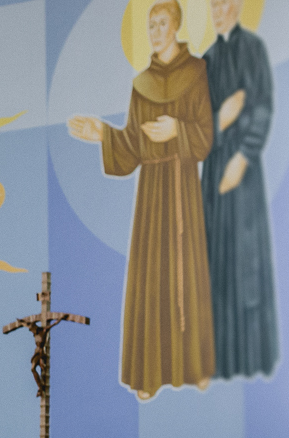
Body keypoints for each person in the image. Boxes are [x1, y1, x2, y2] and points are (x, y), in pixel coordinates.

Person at [68, 0, 215, 400]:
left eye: (160, 23)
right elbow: (133, 145)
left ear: (177, 26)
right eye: (149, 25)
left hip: (182, 184)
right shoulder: (140, 83)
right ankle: (150, 374)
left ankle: (196, 365)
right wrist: (104, 134)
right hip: (152, 194)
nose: (154, 31)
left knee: (188, 270)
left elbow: (206, 134)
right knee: (153, 277)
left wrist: (178, 130)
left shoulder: (198, 72)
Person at [202, 0, 279, 380]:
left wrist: (243, 157)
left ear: (237, 6)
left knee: (246, 263)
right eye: (212, 5)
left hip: (243, 174)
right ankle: (222, 364)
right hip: (214, 171)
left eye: (224, 3)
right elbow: (197, 125)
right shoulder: (206, 60)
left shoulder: (253, 48)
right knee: (217, 264)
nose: (219, 10)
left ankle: (254, 361)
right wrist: (220, 122)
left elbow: (263, 106)